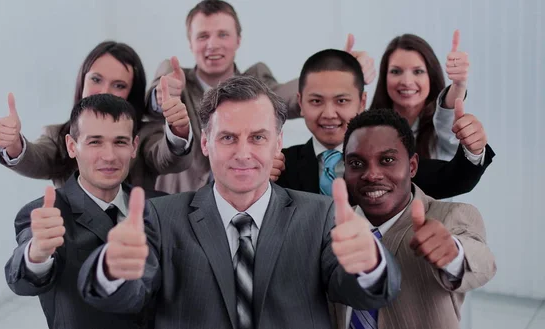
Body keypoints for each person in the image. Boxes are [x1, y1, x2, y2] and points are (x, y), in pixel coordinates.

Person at [77, 75, 401, 329]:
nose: (243, 153)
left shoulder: (320, 215)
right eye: (228, 137)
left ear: (278, 144)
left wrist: (370, 264)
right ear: (205, 143)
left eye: (258, 137)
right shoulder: (161, 218)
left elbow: (363, 293)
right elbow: (123, 299)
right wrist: (112, 269)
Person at [145, 0, 376, 194]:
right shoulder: (174, 76)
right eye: (203, 36)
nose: (212, 45)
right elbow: (154, 101)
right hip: (183, 200)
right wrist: (164, 98)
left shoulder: (257, 80)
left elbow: (290, 96)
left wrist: (340, 73)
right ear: (190, 43)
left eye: (222, 34)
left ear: (238, 40)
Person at [4, 94, 165, 329]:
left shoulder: (163, 206)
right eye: (95, 142)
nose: (109, 156)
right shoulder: (45, 213)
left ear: (134, 147)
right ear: (72, 146)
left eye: (120, 142)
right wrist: (36, 253)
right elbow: (21, 280)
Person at [337, 108, 496, 329]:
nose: (371, 175)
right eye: (356, 163)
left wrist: (454, 253)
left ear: (412, 166)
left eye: (388, 160)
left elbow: (484, 262)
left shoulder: (449, 216)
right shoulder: (332, 227)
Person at [276, 49, 495, 200]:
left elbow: (452, 179)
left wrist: (473, 150)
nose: (329, 113)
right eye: (316, 101)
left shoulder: (390, 160)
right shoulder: (279, 166)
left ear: (362, 102)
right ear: (300, 103)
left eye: (342, 101)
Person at [0, 40, 193, 189]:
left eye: (119, 85)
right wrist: (13, 144)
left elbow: (168, 156)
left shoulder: (146, 136)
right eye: (96, 79)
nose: (105, 90)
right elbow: (36, 159)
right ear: (82, 81)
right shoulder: (58, 136)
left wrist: (178, 129)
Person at [370, 31, 472, 161]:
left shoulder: (440, 131)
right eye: (396, 71)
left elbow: (447, 116)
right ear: (384, 77)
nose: (407, 82)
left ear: (431, 76)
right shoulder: (369, 127)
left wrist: (459, 85)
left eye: (418, 71)